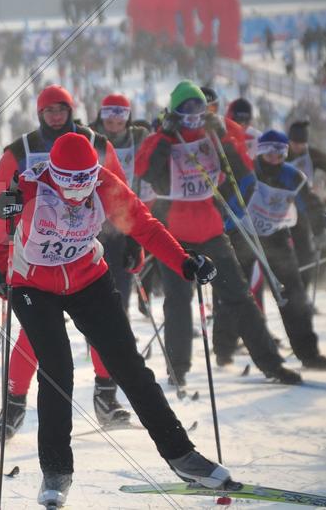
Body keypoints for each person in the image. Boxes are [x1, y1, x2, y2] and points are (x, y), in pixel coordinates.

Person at [0, 132, 234, 506]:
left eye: (85, 179)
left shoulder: (104, 184)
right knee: (57, 370)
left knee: (129, 365)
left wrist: (184, 261)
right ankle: (56, 470)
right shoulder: (27, 187)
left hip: (88, 279)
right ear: (53, 174)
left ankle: (181, 454)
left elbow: (143, 225)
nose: (77, 190)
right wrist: (1, 211)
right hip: (33, 285)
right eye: (68, 181)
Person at [135, 81, 300, 386]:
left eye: (199, 108)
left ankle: (272, 364)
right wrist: (167, 135)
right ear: (175, 111)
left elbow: (242, 171)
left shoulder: (214, 135)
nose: (194, 115)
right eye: (186, 109)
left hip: (211, 231)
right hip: (175, 234)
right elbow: (147, 171)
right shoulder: (162, 139)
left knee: (239, 297)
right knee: (178, 301)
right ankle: (178, 368)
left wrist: (222, 137)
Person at [0, 84, 131, 439]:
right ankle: (14, 404)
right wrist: (0, 260)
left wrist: (129, 239)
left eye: (61, 109)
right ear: (39, 114)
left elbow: (120, 193)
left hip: (84, 250)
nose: (56, 116)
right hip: (34, 259)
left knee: (102, 328)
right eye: (49, 110)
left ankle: (106, 395)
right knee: (33, 336)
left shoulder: (96, 144)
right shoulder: (20, 152)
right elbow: (1, 208)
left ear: (71, 110)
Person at [213, 130, 326, 369]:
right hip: (244, 236)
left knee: (292, 293)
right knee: (235, 290)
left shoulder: (293, 177)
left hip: (275, 235)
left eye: (280, 151)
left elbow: (309, 205)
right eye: (268, 150)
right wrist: (223, 230)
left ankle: (307, 352)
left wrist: (320, 228)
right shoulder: (248, 173)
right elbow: (231, 203)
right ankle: (224, 348)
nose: (274, 156)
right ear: (260, 151)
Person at [89, 93, 153, 312]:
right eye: (109, 119)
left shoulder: (138, 137)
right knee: (95, 279)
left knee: (120, 278)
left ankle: (120, 323)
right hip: (94, 218)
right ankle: (95, 333)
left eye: (120, 118)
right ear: (101, 116)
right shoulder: (90, 137)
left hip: (124, 218)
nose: (114, 124)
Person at [286, 120, 326, 291]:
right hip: (281, 209)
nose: (297, 147)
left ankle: (303, 291)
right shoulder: (281, 154)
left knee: (306, 254)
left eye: (301, 143)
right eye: (295, 143)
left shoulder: (313, 155)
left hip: (304, 209)